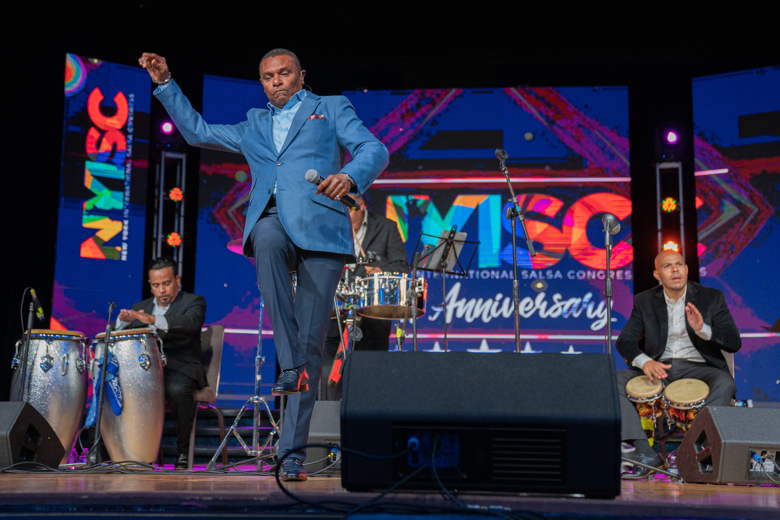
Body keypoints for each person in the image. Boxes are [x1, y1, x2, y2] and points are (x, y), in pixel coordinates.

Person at [139, 49, 388, 481]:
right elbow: (197, 131)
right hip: (272, 220)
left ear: (301, 75)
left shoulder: (329, 107)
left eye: (284, 73)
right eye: (268, 76)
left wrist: (349, 176)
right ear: (262, 83)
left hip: (322, 230)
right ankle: (289, 364)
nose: (277, 81)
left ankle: (291, 454)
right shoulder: (253, 123)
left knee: (311, 345)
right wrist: (165, 83)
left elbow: (374, 147)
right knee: (266, 240)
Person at [615, 250, 741, 479]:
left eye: (679, 264)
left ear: (686, 269)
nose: (675, 269)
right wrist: (645, 362)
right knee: (613, 381)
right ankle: (646, 455)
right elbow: (624, 340)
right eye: (667, 266)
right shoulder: (644, 301)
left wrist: (703, 329)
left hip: (701, 369)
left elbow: (734, 342)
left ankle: (690, 453)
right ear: (657, 274)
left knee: (725, 383)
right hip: (660, 369)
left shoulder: (712, 298)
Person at [116, 256, 207, 470]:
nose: (162, 290)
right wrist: (122, 322)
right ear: (150, 284)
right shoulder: (140, 307)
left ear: (177, 280)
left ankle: (182, 452)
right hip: (145, 371)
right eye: (156, 285)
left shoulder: (194, 301)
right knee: (115, 385)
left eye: (166, 283)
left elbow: (191, 323)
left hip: (181, 367)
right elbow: (121, 337)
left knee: (177, 389)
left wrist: (153, 320)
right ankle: (122, 452)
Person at [321, 193, 410, 400]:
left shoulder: (386, 227)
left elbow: (402, 266)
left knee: (371, 380)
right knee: (328, 378)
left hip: (373, 317)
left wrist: (381, 270)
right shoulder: (330, 227)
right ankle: (330, 418)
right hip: (334, 314)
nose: (343, 214)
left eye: (347, 209)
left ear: (361, 206)